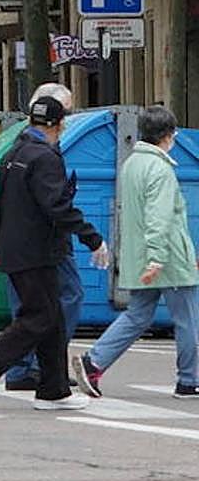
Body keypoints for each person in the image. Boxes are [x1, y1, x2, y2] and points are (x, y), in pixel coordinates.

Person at [0, 96, 108, 410]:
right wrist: (92, 238)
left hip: (18, 248)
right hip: (35, 251)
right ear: (58, 124)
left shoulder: (16, 152)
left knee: (51, 317)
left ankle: (53, 390)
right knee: (39, 317)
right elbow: (56, 206)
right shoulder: (45, 157)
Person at [73, 106, 199, 399]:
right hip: (168, 258)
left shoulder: (131, 164)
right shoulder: (160, 169)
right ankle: (189, 379)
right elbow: (160, 217)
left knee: (137, 316)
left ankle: (94, 361)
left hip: (139, 256)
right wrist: (158, 257)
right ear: (169, 135)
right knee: (188, 319)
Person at [2, 82, 85, 391]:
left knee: (29, 304)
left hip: (18, 239)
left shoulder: (18, 143)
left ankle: (27, 370)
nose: (68, 120)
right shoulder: (45, 148)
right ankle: (38, 366)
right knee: (62, 299)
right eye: (66, 113)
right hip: (45, 238)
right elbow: (54, 202)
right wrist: (90, 237)